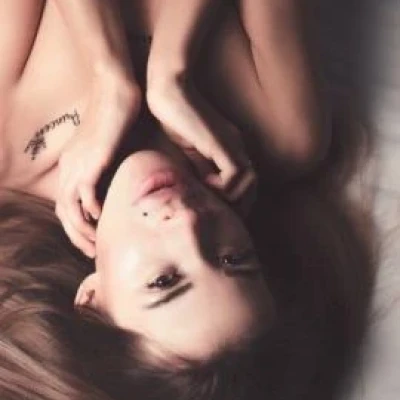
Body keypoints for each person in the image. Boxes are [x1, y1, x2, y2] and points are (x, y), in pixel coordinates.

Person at [0, 1, 373, 399]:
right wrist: (170, 71)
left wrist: (109, 76)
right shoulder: (285, 134)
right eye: (234, 259)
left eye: (164, 281)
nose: (189, 223)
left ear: (92, 302)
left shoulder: (12, 151)